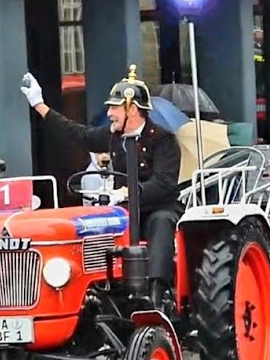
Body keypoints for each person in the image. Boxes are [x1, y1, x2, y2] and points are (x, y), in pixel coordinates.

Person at [19, 66, 182, 310]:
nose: (109, 113)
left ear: (132, 109)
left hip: (156, 207)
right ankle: (91, 296)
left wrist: (129, 192)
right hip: (123, 211)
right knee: (94, 226)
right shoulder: (112, 136)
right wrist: (40, 106)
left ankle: (157, 295)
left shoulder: (163, 139)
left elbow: (164, 183)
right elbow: (79, 134)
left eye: (114, 108)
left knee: (161, 222)